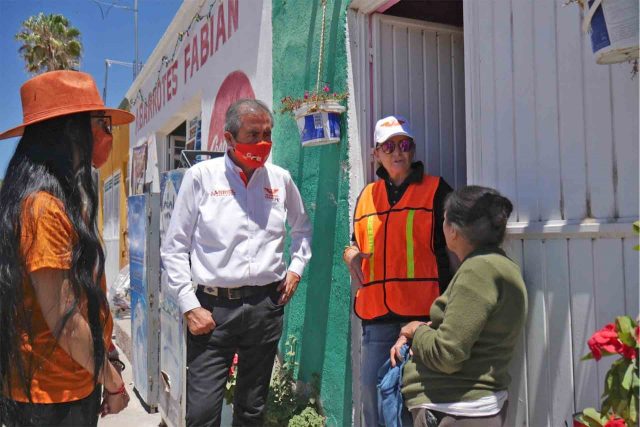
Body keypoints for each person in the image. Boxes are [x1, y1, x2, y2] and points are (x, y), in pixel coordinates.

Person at [161, 98, 312, 427]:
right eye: (253, 134)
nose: (262, 144)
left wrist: (296, 269)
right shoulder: (202, 178)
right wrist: (189, 306)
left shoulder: (280, 180)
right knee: (201, 413)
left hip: (265, 307)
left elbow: (302, 229)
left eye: (268, 134)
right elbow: (174, 247)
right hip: (212, 312)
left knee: (252, 408)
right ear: (229, 139)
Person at [0, 70, 134, 426]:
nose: (110, 133)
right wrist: (115, 382)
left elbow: (86, 300)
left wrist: (108, 356)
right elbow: (65, 321)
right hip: (51, 399)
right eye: (103, 123)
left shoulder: (63, 200)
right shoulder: (41, 209)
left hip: (72, 384)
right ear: (69, 129)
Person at [343, 115, 453, 426]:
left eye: (403, 144)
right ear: (375, 153)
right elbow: (356, 243)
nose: (397, 152)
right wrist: (349, 254)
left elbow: (456, 247)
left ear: (413, 149)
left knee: (413, 400)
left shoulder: (436, 191)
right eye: (388, 146)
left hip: (420, 318)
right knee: (372, 397)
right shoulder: (366, 196)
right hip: (377, 318)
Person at [392, 186, 528, 427]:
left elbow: (448, 354)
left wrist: (415, 330)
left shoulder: (479, 272)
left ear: (453, 230)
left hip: (454, 412)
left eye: (443, 219)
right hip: (457, 409)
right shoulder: (494, 267)